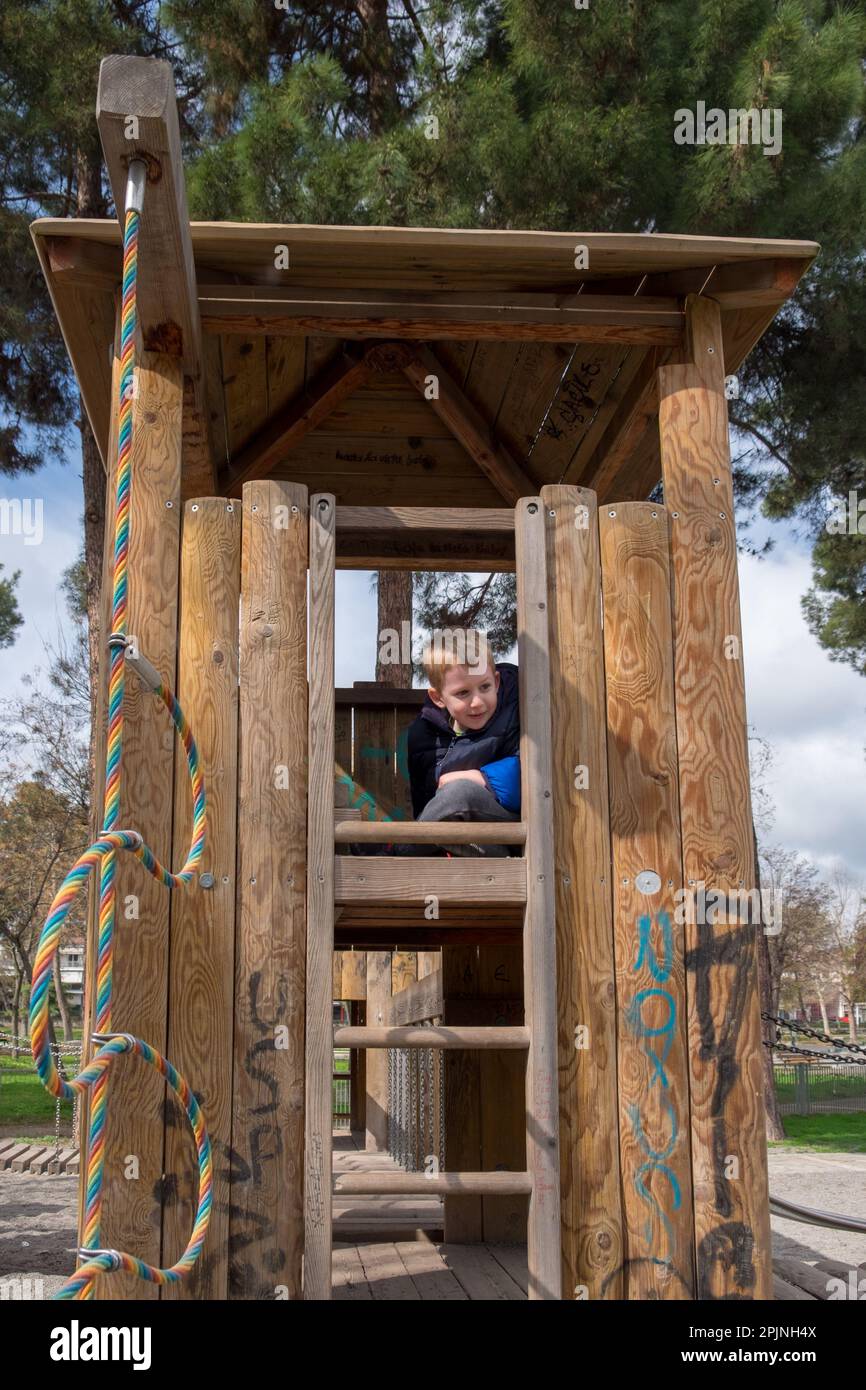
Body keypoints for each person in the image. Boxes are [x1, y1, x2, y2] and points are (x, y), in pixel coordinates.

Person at [405, 630, 520, 857]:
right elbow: (427, 809)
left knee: (459, 793)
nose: (477, 702)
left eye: (485, 687)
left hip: (516, 833)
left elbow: (535, 772)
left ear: (496, 681)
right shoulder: (424, 736)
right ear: (438, 697)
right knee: (451, 807)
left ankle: (398, 853)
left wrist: (482, 777)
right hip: (470, 844)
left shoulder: (517, 704)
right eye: (463, 693)